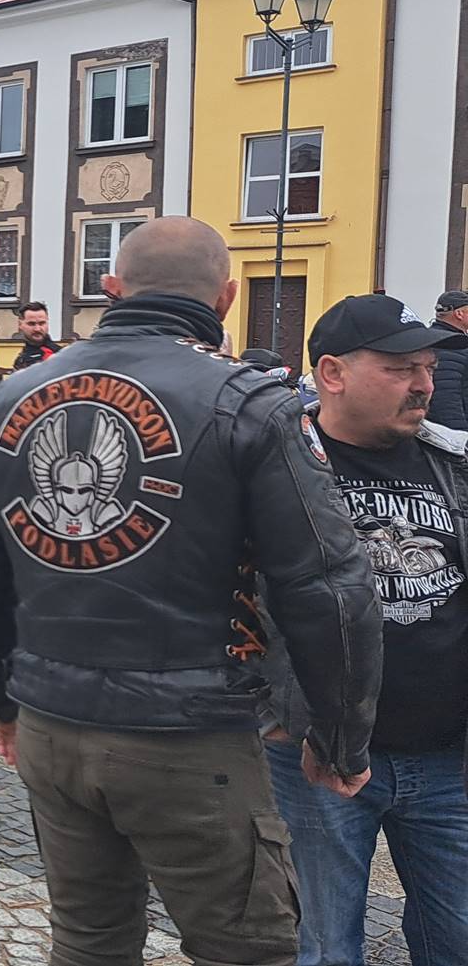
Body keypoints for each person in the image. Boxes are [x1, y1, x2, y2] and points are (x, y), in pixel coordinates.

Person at [0, 216, 383, 965]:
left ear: (111, 289)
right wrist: (341, 738)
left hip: (52, 722)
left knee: (88, 941)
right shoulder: (252, 402)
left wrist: (3, 701)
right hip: (188, 736)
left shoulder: (9, 396)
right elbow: (329, 586)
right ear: (227, 297)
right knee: (248, 952)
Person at [261, 294, 468, 964]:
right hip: (318, 754)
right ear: (333, 372)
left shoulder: (454, 464)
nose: (423, 384)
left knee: (457, 937)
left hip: (447, 756)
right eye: (401, 368)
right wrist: (273, 713)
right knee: (327, 946)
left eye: (428, 367)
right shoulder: (276, 466)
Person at [427, 289, 468, 431]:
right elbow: (446, 395)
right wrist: (460, 435)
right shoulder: (452, 345)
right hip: (452, 432)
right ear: (459, 314)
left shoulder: (430, 339)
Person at [10, 301, 61, 372]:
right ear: (20, 325)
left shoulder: (61, 355)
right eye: (31, 324)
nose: (37, 329)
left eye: (42, 323)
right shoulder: (21, 360)